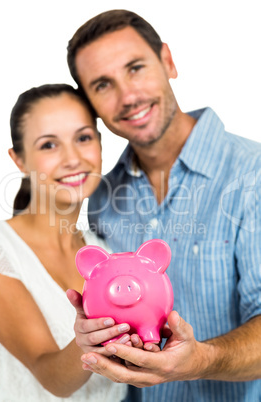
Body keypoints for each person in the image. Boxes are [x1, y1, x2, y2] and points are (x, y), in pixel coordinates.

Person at [66, 9, 261, 402]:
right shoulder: (101, 197)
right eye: (103, 85)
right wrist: (95, 332)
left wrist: (202, 359)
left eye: (135, 68)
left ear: (168, 61)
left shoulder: (253, 174)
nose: (128, 96)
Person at [0, 83, 132, 401]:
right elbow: (51, 376)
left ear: (99, 143)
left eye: (83, 138)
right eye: (48, 145)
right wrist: (88, 343)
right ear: (19, 160)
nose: (72, 159)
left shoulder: (107, 254)